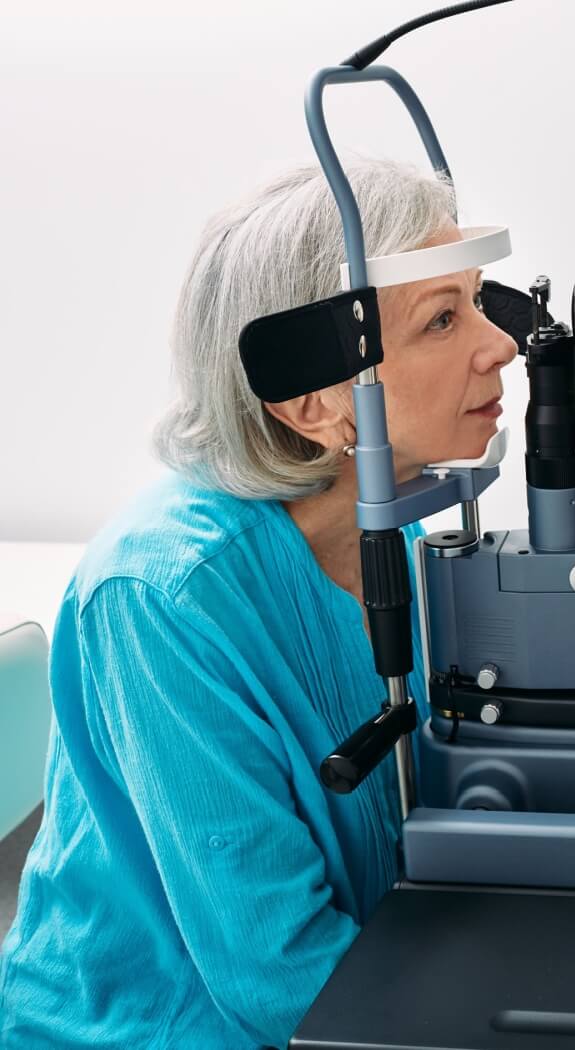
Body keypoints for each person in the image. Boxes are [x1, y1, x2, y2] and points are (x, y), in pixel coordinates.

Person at [0, 159, 518, 1047]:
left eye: (477, 300)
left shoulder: (390, 524)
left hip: (384, 965)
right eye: (442, 317)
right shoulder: (165, 599)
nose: (500, 342)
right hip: (162, 1029)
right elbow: (277, 976)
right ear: (315, 402)